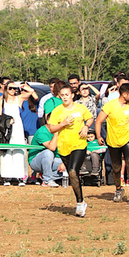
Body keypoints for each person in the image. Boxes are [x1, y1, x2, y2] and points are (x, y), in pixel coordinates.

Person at [47, 87, 94, 217]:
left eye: (67, 94)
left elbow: (90, 118)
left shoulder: (80, 108)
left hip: (79, 144)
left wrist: (86, 126)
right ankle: (81, 200)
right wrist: (62, 124)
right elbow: (51, 129)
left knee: (73, 171)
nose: (65, 97)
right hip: (63, 147)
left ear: (72, 95)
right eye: (62, 95)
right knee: (73, 175)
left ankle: (79, 204)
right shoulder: (57, 111)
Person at [0, 82, 35, 184]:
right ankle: (6, 177)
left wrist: (22, 86)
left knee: (19, 150)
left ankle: (19, 177)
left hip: (17, 127)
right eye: (10, 88)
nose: (13, 90)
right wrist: (6, 122)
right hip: (7, 128)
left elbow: (31, 91)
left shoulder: (19, 99)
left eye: (14, 88)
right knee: (7, 152)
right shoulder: (2, 102)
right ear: (6, 89)